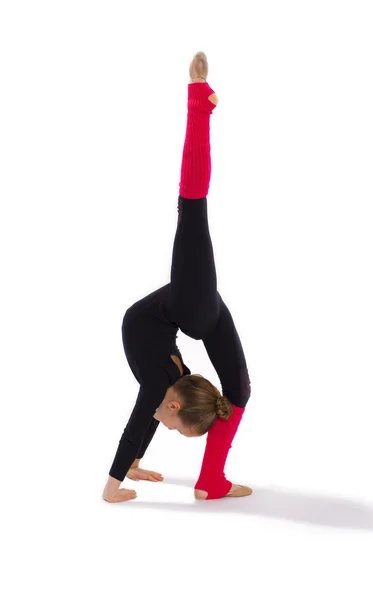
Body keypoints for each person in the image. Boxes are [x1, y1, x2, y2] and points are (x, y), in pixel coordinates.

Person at [102, 52, 252, 503]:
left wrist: (122, 476)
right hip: (189, 309)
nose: (167, 427)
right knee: (193, 206)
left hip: (168, 314)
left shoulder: (162, 385)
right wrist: (117, 482)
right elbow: (144, 420)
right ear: (176, 403)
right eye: (176, 426)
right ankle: (196, 104)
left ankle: (210, 481)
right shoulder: (166, 381)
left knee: (193, 206)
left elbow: (143, 420)